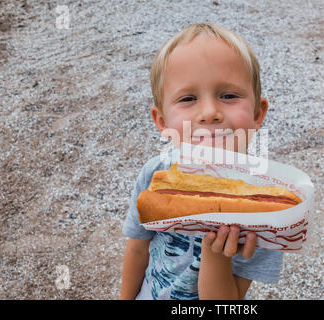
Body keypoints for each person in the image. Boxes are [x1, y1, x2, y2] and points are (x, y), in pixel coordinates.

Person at [120, 23, 283, 300]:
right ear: (162, 121)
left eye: (228, 95)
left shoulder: (265, 211)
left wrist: (214, 252)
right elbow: (137, 248)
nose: (209, 113)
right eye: (188, 98)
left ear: (258, 113)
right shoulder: (156, 175)